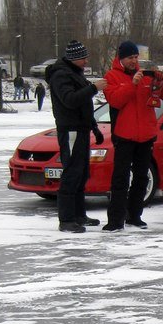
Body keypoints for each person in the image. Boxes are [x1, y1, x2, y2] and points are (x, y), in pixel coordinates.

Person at [103, 40, 163, 231]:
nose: (134, 61)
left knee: (141, 178)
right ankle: (115, 219)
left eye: (136, 57)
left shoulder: (145, 75)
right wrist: (132, 84)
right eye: (130, 58)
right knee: (121, 178)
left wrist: (162, 80)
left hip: (146, 134)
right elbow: (115, 101)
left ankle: (134, 215)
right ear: (121, 59)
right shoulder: (112, 76)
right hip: (124, 134)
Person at [46, 40, 107, 233]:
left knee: (81, 174)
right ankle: (66, 219)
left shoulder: (75, 74)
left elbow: (84, 106)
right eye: (83, 58)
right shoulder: (60, 75)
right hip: (70, 130)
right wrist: (94, 88)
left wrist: (94, 128)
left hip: (81, 129)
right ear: (74, 58)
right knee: (71, 173)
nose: (86, 61)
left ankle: (79, 215)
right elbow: (70, 100)